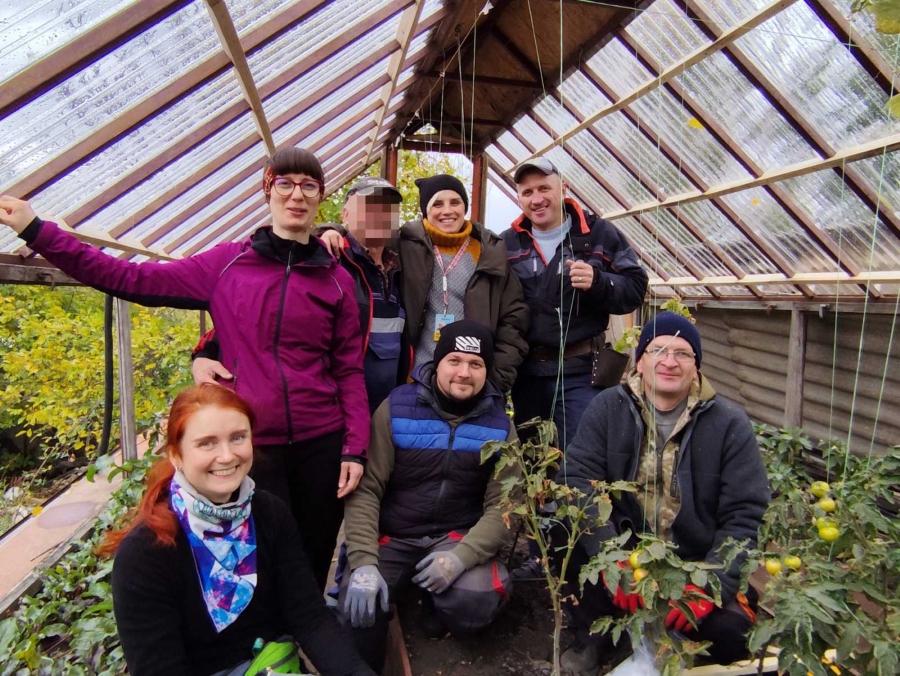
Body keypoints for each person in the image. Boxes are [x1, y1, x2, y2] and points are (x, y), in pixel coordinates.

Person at [0, 147, 368, 590]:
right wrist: (38, 232)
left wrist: (354, 448)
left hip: (320, 442)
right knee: (258, 555)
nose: (297, 195)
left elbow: (348, 370)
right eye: (285, 184)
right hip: (250, 445)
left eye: (309, 186)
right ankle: (269, 640)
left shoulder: (337, 280)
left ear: (320, 197)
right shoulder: (227, 264)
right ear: (267, 190)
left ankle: (311, 636)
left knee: (314, 549)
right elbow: (128, 278)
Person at [103, 384, 374, 676]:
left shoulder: (268, 513)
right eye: (207, 443)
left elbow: (309, 617)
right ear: (176, 454)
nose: (227, 455)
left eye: (237, 438)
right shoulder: (147, 552)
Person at [558, 312, 770, 671]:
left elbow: (744, 512)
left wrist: (711, 583)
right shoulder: (609, 407)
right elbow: (578, 479)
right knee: (565, 535)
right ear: (640, 360)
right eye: (658, 350)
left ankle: (677, 645)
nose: (669, 362)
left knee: (732, 632)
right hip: (627, 554)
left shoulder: (728, 423)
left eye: (683, 353)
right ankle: (592, 636)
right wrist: (611, 559)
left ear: (696, 365)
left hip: (693, 564)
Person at [339, 320, 517, 673]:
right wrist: (362, 561)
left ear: (486, 371)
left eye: (476, 364)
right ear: (437, 363)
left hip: (453, 537)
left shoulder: (500, 426)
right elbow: (367, 488)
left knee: (477, 598)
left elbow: (505, 506)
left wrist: (461, 558)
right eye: (454, 360)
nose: (463, 373)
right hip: (395, 534)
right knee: (358, 609)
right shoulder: (396, 409)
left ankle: (436, 604)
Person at [194, 176, 407, 414]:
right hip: (335, 410)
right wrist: (205, 353)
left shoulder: (402, 266)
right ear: (346, 215)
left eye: (388, 209)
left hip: (387, 412)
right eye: (369, 207)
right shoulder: (327, 261)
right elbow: (257, 311)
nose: (380, 215)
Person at [321, 173, 529, 394]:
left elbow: (514, 318)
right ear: (425, 210)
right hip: (414, 380)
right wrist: (330, 231)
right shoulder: (406, 244)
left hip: (469, 383)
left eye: (455, 202)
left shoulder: (489, 252)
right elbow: (363, 233)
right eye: (437, 203)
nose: (447, 211)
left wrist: (497, 377)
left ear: (465, 206)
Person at [502, 156, 649, 451]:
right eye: (527, 192)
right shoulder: (507, 244)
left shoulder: (598, 234)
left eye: (544, 188)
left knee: (584, 456)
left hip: (581, 373)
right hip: (527, 374)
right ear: (518, 198)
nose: (537, 199)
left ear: (563, 189)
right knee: (532, 459)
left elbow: (635, 288)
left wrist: (599, 281)